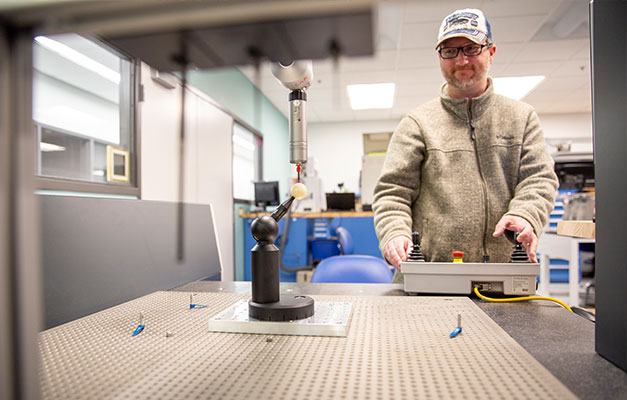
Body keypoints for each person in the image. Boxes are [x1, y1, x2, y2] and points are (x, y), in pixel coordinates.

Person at [373, 8, 558, 280]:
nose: (461, 60)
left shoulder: (521, 117)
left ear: (491, 52)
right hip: (430, 274)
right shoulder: (417, 122)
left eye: (471, 48)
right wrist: (395, 231)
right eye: (450, 51)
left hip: (504, 273)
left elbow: (539, 179)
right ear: (439, 57)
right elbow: (392, 191)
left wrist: (526, 215)